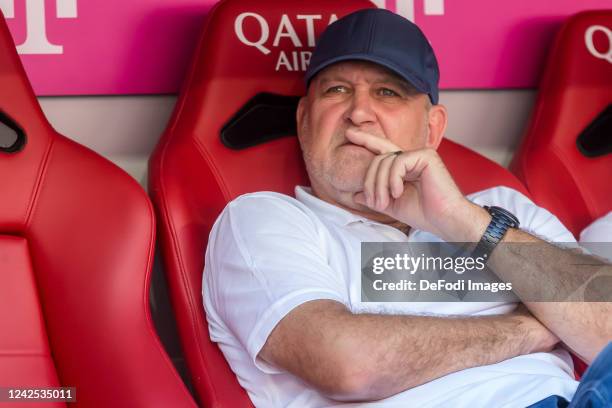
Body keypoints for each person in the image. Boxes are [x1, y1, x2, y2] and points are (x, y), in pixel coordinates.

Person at [203, 8, 612, 407]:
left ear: (432, 128)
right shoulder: (264, 220)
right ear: (304, 118)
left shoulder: (503, 208)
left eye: (387, 92)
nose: (359, 113)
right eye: (336, 90)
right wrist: (529, 330)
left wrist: (461, 221)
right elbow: (347, 366)